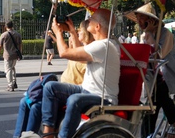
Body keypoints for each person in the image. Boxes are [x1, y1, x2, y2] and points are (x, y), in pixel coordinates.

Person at [40, 9, 120, 138]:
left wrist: (58, 32)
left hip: (102, 98)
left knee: (74, 100)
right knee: (51, 87)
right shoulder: (99, 45)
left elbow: (64, 53)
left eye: (91, 19)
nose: (88, 20)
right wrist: (72, 30)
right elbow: (79, 55)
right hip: (86, 90)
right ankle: (48, 134)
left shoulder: (104, 46)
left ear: (97, 26)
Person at [14, 20, 95, 138]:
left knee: (37, 106)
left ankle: (45, 134)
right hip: (61, 91)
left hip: (66, 94)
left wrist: (59, 33)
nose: (76, 34)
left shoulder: (88, 53)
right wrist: (67, 31)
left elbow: (65, 52)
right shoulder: (79, 50)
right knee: (25, 101)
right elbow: (70, 48)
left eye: (79, 31)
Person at [125, 3, 175, 138]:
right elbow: (143, 56)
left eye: (142, 18)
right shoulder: (145, 35)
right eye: (138, 18)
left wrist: (148, 33)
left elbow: (157, 55)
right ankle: (149, 134)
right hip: (154, 79)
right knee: (150, 108)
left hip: (173, 78)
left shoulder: (165, 34)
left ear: (151, 20)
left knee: (158, 93)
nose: (139, 22)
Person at [0, 21, 22, 92]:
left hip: (7, 55)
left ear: (5, 27)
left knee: (8, 70)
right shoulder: (17, 34)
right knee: (12, 68)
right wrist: (20, 54)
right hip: (15, 54)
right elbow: (20, 45)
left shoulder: (4, 35)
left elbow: (0, 46)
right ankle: (14, 82)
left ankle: (10, 85)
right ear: (12, 26)